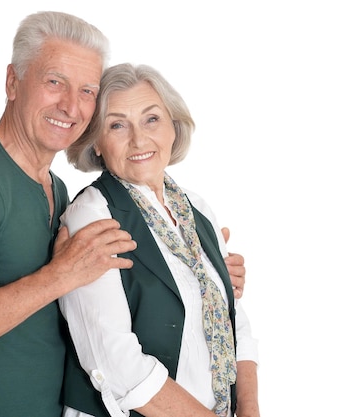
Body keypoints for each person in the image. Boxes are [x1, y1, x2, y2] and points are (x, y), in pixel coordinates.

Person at [0, 11, 247, 417]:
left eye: (87, 90)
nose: (71, 105)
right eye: (54, 81)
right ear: (13, 82)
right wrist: (61, 274)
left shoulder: (53, 188)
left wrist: (201, 279)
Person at [59, 63, 260, 417]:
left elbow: (234, 321)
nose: (139, 139)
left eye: (152, 119)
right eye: (117, 125)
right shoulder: (92, 216)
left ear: (173, 128)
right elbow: (116, 363)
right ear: (97, 143)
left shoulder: (195, 208)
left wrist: (250, 408)